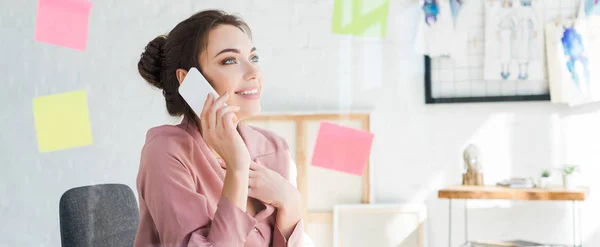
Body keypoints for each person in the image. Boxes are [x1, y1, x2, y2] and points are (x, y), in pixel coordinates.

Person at [135, 9, 306, 247]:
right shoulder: (165, 153)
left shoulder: (274, 148)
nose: (254, 72)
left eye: (253, 58)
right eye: (229, 60)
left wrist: (290, 202)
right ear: (188, 81)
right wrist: (237, 166)